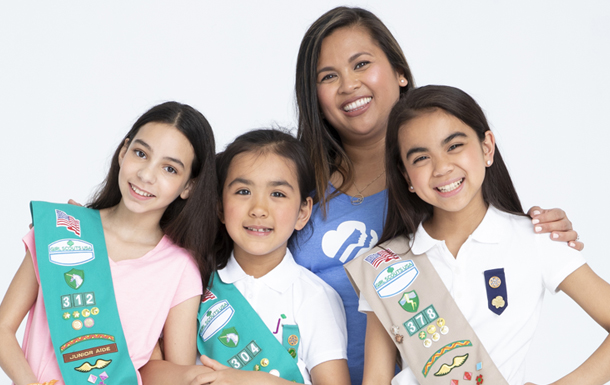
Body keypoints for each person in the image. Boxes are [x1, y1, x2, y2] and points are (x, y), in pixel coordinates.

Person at [292, 7, 584, 384]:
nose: (349, 84)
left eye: (361, 64)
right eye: (329, 76)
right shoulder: (292, 189)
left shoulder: (442, 191)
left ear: (400, 72)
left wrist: (540, 231)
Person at [344, 85, 610, 385]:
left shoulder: (536, 238)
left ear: (487, 148)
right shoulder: (386, 264)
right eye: (421, 158)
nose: (442, 167)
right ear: (406, 176)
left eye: (454, 146)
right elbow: (375, 380)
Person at [0, 101, 218, 385]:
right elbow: (3, 328)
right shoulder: (62, 229)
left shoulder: (180, 269)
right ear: (123, 151)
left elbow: (175, 374)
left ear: (189, 186)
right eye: (141, 153)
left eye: (170, 169)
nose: (146, 175)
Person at [140, 129, 350, 385]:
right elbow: (143, 369)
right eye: (243, 191)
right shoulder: (192, 280)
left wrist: (253, 381)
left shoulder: (315, 297)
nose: (259, 209)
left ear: (303, 212)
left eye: (278, 194)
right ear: (220, 206)